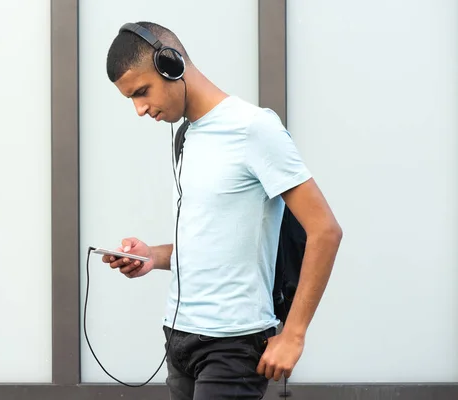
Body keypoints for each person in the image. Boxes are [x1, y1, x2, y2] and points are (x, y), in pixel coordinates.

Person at [102, 21, 343, 400]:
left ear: (172, 64)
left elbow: (325, 230)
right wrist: (152, 256)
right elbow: (215, 241)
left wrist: (293, 335)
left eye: (142, 91)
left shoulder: (253, 128)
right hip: (178, 339)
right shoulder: (187, 136)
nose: (140, 109)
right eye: (130, 98)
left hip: (232, 347)